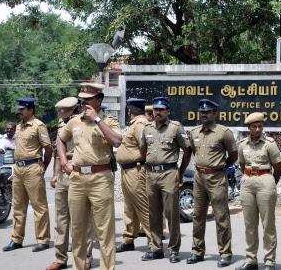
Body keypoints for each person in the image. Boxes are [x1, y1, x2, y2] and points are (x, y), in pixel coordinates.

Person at [57, 83, 122, 270]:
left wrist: (97, 120)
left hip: (100, 178)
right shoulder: (74, 121)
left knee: (104, 230)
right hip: (77, 179)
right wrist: (63, 161)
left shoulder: (108, 121)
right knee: (77, 230)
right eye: (82, 100)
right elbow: (61, 139)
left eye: (88, 100)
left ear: (99, 100)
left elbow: (117, 141)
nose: (83, 103)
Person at [186, 99, 238, 267]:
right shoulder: (193, 132)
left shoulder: (224, 132)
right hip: (199, 177)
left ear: (215, 113)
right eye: (201, 112)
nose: (203, 114)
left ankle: (225, 253)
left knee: (221, 216)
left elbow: (233, 155)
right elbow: (193, 151)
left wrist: (220, 166)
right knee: (198, 215)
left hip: (216, 178)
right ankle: (197, 251)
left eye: (207, 112)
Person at [46, 97, 95, 270]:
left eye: (64, 110)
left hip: (79, 171)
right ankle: (60, 258)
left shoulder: (84, 123)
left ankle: (85, 257)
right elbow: (57, 153)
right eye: (60, 111)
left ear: (75, 110)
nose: (60, 113)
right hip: (63, 175)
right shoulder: (62, 127)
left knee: (83, 219)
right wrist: (54, 175)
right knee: (61, 219)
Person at [141, 97, 192, 263]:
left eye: (161, 109)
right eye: (155, 109)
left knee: (171, 213)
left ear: (168, 111)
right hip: (151, 174)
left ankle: (173, 249)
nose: (157, 112)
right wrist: (146, 166)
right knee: (153, 213)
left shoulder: (175, 127)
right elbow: (143, 150)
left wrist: (181, 171)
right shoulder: (147, 128)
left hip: (169, 173)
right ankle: (156, 248)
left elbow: (187, 149)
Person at [3, 97, 53, 252]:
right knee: (18, 206)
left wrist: (43, 166)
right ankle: (16, 239)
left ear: (31, 109)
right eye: (19, 109)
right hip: (18, 169)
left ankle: (43, 240)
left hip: (33, 167)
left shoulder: (39, 125)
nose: (19, 111)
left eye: (22, 109)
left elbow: (48, 148)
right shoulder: (18, 127)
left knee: (39, 205)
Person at [236, 112, 281, 270]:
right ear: (248, 128)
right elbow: (242, 165)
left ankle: (269, 261)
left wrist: (270, 183)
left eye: (260, 126)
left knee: (267, 223)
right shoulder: (242, 144)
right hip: (247, 182)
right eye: (254, 127)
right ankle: (251, 260)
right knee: (249, 224)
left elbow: (278, 167)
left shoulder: (269, 143)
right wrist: (248, 176)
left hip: (265, 180)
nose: (257, 129)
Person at [115, 98, 152, 254]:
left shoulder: (140, 124)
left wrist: (139, 160)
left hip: (136, 170)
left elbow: (146, 146)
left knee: (143, 206)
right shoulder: (135, 124)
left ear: (131, 109)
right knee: (129, 207)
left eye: (128, 108)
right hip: (127, 170)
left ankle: (153, 242)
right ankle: (129, 239)